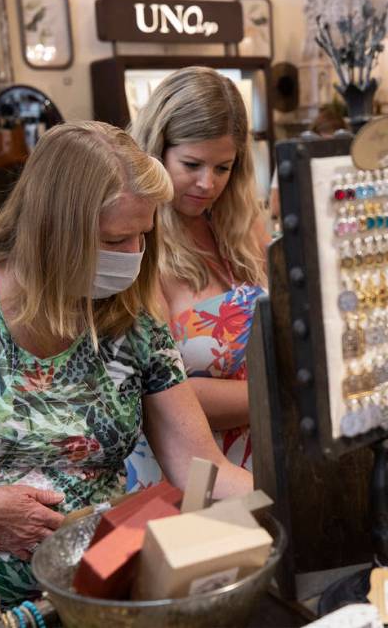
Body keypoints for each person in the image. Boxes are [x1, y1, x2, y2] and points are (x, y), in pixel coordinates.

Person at [0, 121, 251, 612]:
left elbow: (203, 470)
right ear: (51, 229)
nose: (133, 258)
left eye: (142, 237)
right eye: (115, 240)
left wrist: (290, 497)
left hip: (92, 600)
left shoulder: (133, 325)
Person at [129, 67, 269, 477]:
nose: (207, 184)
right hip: (183, 471)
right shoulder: (138, 242)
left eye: (223, 168)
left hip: (257, 455)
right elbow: (159, 393)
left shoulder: (242, 229)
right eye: (192, 164)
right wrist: (277, 391)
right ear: (157, 151)